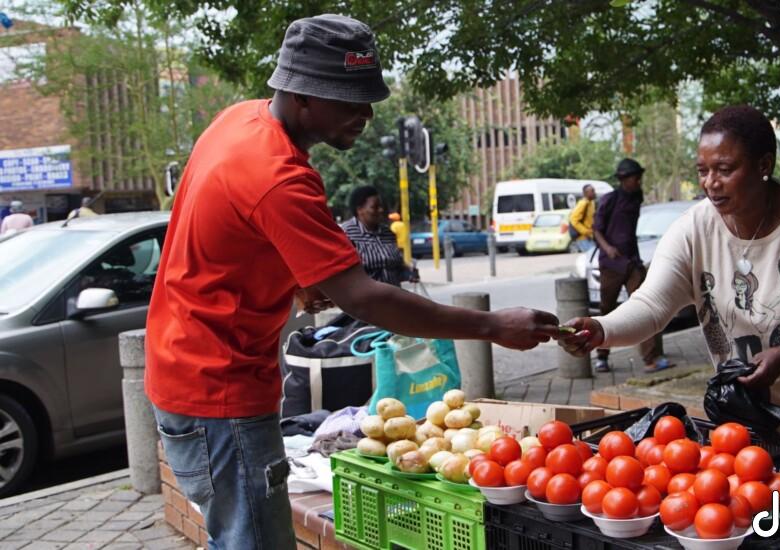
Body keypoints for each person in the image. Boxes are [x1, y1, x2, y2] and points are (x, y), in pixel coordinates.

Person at [144, 15, 561, 550]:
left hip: (186, 371)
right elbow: (364, 297)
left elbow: (227, 233)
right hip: (216, 392)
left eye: (368, 100)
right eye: (349, 101)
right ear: (300, 96)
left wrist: (294, 275)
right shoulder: (277, 176)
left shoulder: (240, 121)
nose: (365, 114)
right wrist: (493, 324)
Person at [559, 105, 780, 462]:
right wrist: (601, 329)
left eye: (725, 170)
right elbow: (652, 305)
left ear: (764, 165)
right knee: (756, 511)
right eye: (703, 171)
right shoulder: (693, 229)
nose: (710, 183)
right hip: (749, 415)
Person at [591, 159, 660, 373]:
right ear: (623, 180)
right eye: (634, 178)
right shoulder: (609, 200)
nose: (638, 181)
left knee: (644, 307)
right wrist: (608, 248)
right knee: (607, 309)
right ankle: (602, 356)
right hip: (611, 264)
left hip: (632, 262)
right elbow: (596, 230)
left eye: (639, 177)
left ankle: (651, 358)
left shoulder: (637, 198)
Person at [340, 186, 415, 287]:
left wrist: (409, 273)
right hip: (364, 300)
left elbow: (396, 268)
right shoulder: (346, 234)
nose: (380, 210)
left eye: (381, 206)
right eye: (375, 207)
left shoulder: (388, 234)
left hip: (393, 300)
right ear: (360, 210)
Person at [569, 183, 597, 251]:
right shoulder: (583, 203)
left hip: (590, 237)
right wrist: (586, 231)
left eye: (594, 190)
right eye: (592, 191)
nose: (594, 193)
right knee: (591, 258)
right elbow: (573, 219)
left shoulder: (591, 203)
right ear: (586, 193)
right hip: (583, 238)